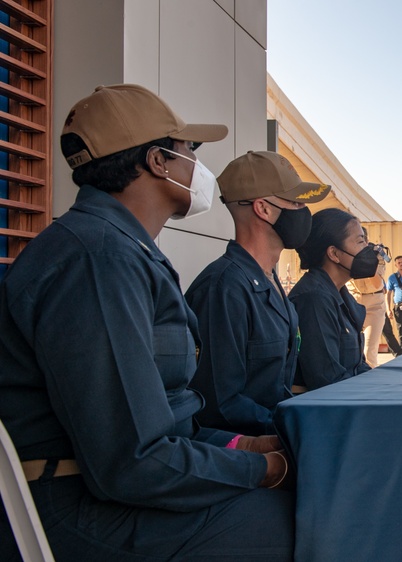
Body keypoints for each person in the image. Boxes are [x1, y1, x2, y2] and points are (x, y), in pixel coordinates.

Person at [0, 84, 292, 560]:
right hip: (77, 511)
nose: (196, 166)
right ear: (159, 161)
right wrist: (267, 471)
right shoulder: (98, 260)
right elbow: (133, 460)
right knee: (307, 519)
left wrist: (254, 446)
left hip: (121, 490)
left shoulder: (124, 250)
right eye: (189, 149)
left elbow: (170, 427)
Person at [185, 150, 329, 435]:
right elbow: (219, 404)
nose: (303, 212)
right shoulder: (224, 289)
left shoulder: (268, 280)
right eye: (295, 202)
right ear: (263, 209)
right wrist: (293, 429)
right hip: (250, 453)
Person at [290, 209, 375, 389]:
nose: (367, 248)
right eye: (360, 241)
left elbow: (357, 366)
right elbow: (327, 378)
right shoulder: (314, 299)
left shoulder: (340, 294)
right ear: (334, 254)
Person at [346, 227, 394, 367]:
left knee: (369, 351)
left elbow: (377, 283)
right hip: (353, 300)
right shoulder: (346, 253)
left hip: (374, 303)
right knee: (349, 348)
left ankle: (369, 377)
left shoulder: (377, 254)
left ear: (366, 241)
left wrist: (366, 262)